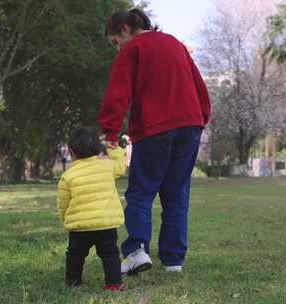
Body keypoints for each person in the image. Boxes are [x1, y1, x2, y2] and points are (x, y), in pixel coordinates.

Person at [98, 8, 211, 275]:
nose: (117, 49)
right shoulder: (175, 44)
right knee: (177, 193)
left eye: (115, 42)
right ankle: (173, 261)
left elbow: (118, 94)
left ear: (125, 29)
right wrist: (200, 119)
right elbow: (199, 86)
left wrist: (109, 134)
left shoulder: (132, 50)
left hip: (154, 127)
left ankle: (136, 250)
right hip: (190, 125)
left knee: (141, 191)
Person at [57, 127, 127, 291]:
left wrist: (65, 219)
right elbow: (121, 166)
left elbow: (63, 203)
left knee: (75, 255)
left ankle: (73, 283)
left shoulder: (68, 175)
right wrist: (114, 150)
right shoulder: (107, 166)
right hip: (106, 224)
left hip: (80, 227)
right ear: (98, 148)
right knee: (110, 253)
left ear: (71, 152)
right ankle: (114, 283)